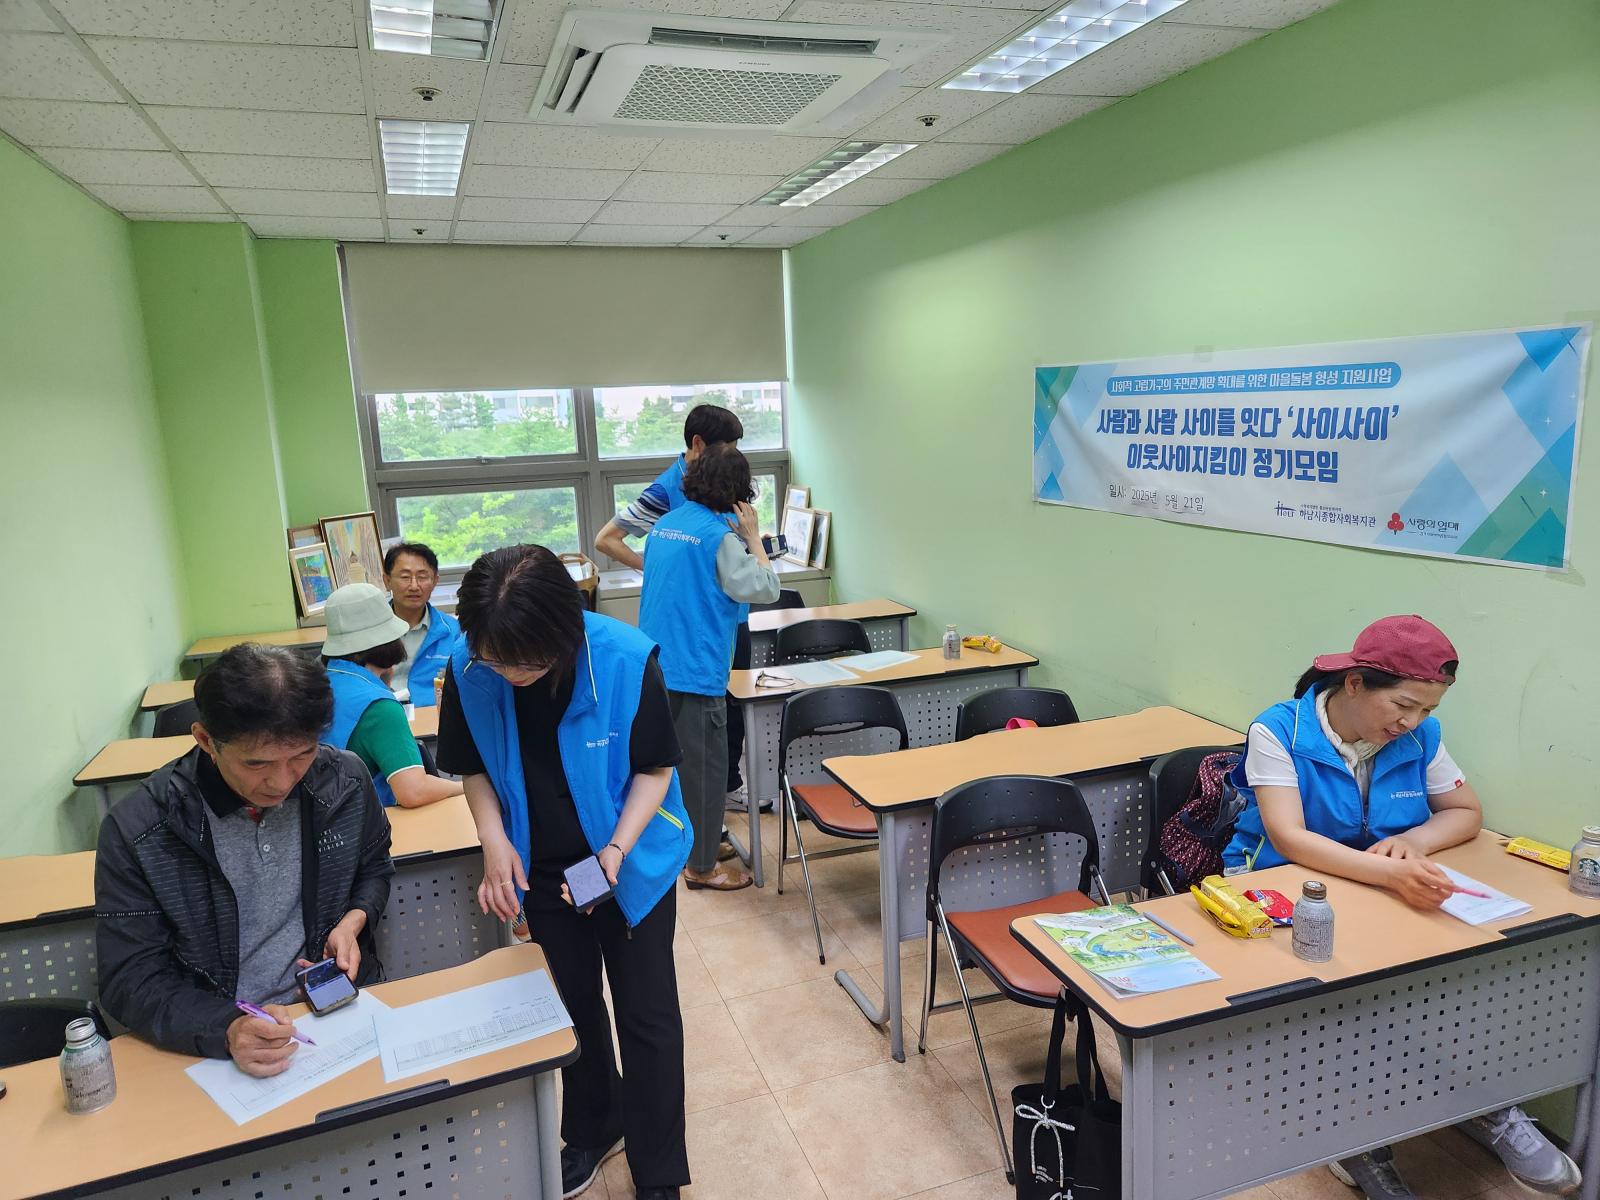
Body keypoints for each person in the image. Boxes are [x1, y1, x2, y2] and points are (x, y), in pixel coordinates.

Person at [1223, 615, 1581, 1199]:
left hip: (1371, 885)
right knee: (1341, 998)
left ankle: (1487, 1106)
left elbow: (1465, 813)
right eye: (1404, 705)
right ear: (1355, 683)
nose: (1411, 723)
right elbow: (1290, 837)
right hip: (1282, 888)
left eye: (1426, 710)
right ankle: (1359, 1141)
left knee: (1456, 978)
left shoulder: (1419, 737)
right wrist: (1391, 874)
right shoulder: (1279, 730)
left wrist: (1413, 843)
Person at [435, 544, 691, 1200]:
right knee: (572, 1007)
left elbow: (655, 769)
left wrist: (615, 853)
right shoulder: (469, 666)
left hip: (629, 858)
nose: (509, 673)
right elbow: (473, 767)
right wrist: (493, 840)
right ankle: (595, 1126)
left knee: (647, 1015)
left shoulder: (626, 658)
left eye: (524, 661)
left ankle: (659, 1172)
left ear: (566, 632)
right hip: (542, 865)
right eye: (495, 659)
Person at [95, 644, 393, 1076]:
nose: (282, 781)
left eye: (302, 754)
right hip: (215, 1038)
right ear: (206, 741)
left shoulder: (343, 782)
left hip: (332, 1015)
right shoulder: (142, 829)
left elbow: (374, 867)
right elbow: (131, 978)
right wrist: (226, 1027)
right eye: (257, 763)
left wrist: (354, 919)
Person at [592, 404, 766, 815]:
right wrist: (659, 568)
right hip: (687, 637)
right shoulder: (668, 488)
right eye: (727, 446)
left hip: (724, 619)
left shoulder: (720, 484)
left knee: (729, 714)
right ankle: (698, 813)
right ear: (698, 444)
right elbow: (606, 539)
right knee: (692, 733)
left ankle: (726, 790)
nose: (733, 454)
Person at [639, 444, 779, 891]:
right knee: (705, 773)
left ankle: (693, 846)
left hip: (657, 667)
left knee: (676, 772)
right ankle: (701, 868)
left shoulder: (666, 525)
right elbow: (766, 588)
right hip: (696, 671)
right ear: (738, 492)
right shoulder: (719, 539)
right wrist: (752, 538)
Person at [323, 582, 464, 810]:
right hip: (369, 817)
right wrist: (464, 788)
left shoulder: (322, 680)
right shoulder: (379, 707)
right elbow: (413, 791)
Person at [384, 540, 460, 707]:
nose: (414, 586)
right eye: (405, 577)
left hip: (433, 715)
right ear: (387, 580)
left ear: (435, 581)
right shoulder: (370, 629)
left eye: (422, 577)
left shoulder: (452, 632)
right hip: (384, 714)